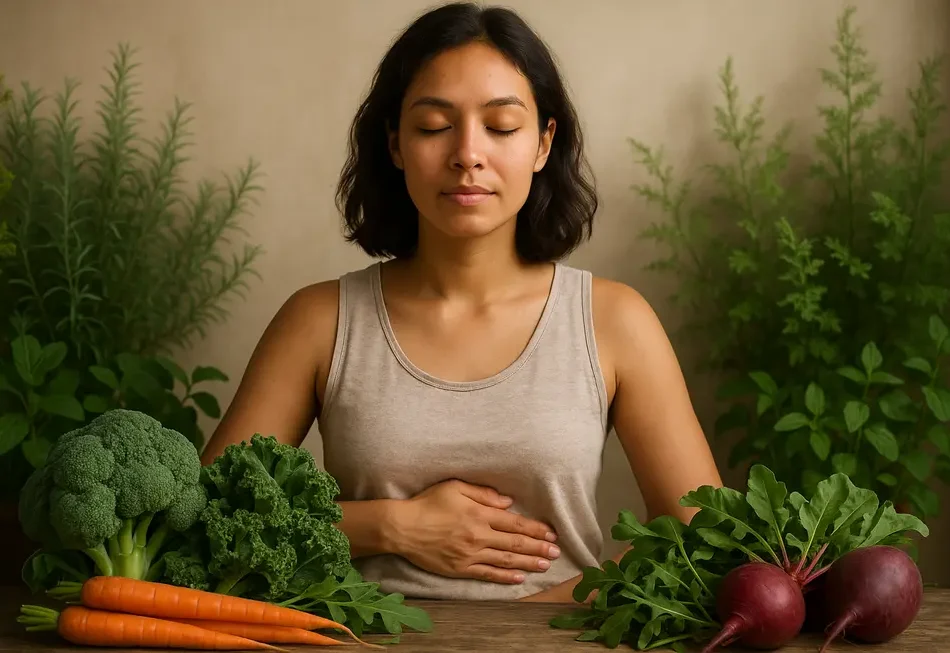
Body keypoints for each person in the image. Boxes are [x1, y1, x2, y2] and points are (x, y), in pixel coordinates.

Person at [200, 1, 722, 603]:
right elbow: (210, 515)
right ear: (395, 144)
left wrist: (543, 616)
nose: (467, 154)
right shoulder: (319, 320)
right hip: (361, 643)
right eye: (432, 126)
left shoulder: (615, 320)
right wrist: (389, 527)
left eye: (501, 127)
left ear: (543, 144)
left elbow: (700, 537)